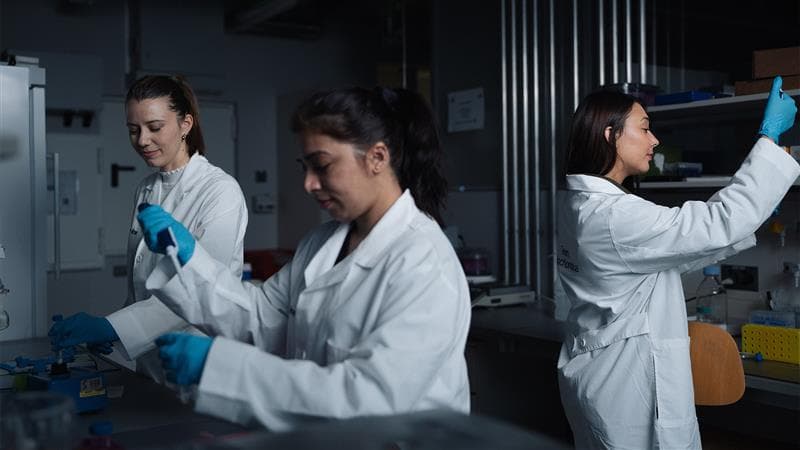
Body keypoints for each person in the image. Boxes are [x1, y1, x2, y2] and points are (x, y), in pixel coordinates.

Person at [136, 86, 471, 430]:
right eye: (305, 167)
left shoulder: (423, 261)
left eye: (322, 166)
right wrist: (189, 262)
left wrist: (222, 367)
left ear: (377, 157)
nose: (309, 184)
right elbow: (263, 317)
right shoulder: (323, 242)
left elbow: (373, 399)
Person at [555, 76, 798, 449]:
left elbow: (665, 255)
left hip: (601, 375)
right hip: (625, 388)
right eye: (645, 129)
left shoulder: (583, 206)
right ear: (610, 135)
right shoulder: (613, 216)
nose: (654, 141)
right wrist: (767, 141)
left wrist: (748, 218)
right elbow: (712, 223)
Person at [49, 75, 248, 384]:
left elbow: (200, 293)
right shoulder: (146, 189)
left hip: (199, 360)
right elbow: (142, 284)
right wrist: (115, 331)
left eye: (154, 128)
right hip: (150, 364)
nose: (142, 140)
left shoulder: (220, 192)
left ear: (185, 124)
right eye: (133, 129)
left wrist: (115, 327)